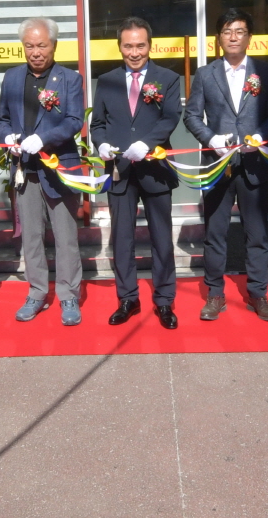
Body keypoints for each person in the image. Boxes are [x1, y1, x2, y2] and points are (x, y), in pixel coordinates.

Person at [184, 8, 268, 322]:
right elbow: (191, 115)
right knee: (215, 232)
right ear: (219, 37)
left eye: (239, 31)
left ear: (249, 37)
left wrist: (262, 135)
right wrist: (210, 138)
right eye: (227, 31)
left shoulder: (265, 72)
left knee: (257, 234)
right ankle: (215, 294)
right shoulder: (206, 73)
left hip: (254, 163)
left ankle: (258, 293)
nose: (233, 37)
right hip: (218, 164)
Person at [90, 17, 184, 330]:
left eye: (140, 46)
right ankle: (127, 298)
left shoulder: (167, 78)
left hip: (155, 168)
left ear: (150, 46)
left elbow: (170, 117)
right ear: (119, 46)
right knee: (122, 238)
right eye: (128, 46)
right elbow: (98, 124)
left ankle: (165, 299)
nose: (134, 52)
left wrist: (147, 143)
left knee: (162, 238)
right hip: (120, 170)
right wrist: (102, 144)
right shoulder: (106, 80)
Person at [0, 18, 87, 326]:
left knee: (65, 236)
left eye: (42, 45)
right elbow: (1, 119)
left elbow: (74, 121)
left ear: (54, 46)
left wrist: (43, 138)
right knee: (31, 236)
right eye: (29, 46)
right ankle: (36, 292)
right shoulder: (12, 77)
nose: (35, 52)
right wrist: (7, 137)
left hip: (59, 167)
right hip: (25, 169)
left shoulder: (70, 79)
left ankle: (68, 294)